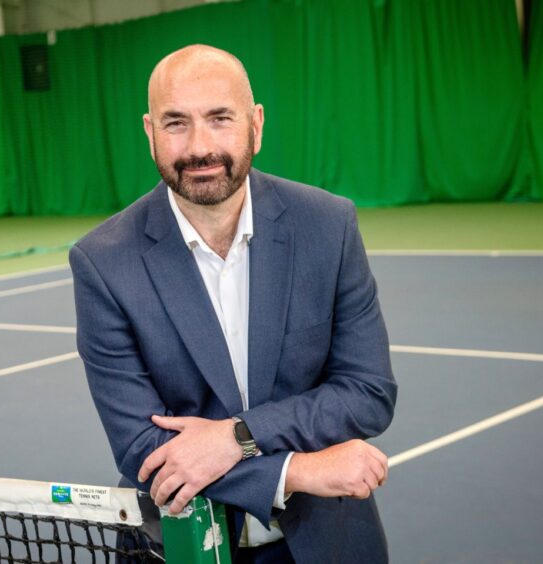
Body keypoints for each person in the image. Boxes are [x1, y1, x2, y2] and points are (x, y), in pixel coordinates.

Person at [70, 45, 397, 563]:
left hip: (327, 542)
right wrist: (296, 471)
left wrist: (238, 438)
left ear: (255, 124)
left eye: (220, 118)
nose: (200, 147)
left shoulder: (328, 226)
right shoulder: (103, 263)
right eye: (176, 123)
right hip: (178, 546)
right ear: (149, 132)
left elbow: (367, 392)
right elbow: (141, 448)